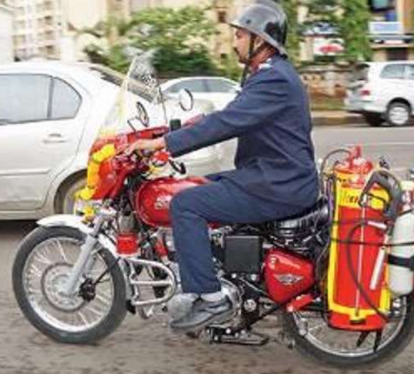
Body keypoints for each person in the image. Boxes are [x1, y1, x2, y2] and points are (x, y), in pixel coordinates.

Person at [126, 0, 319, 331]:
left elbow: (227, 122)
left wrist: (163, 145)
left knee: (185, 204)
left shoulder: (274, 80)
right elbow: (227, 114)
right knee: (199, 185)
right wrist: (175, 129)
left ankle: (209, 296)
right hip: (272, 177)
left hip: (278, 185)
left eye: (241, 36)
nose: (235, 42)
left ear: (261, 41)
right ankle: (220, 268)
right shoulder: (270, 76)